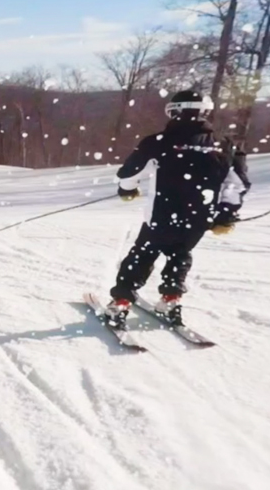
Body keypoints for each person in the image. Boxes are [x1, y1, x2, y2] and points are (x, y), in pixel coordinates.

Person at [105, 89, 250, 325]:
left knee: (143, 254)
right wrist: (226, 214)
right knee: (180, 254)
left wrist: (127, 189)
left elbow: (130, 172)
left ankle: (120, 303)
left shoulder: (157, 142)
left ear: (173, 111)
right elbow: (236, 184)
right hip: (199, 216)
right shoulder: (225, 145)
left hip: (161, 215)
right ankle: (171, 299)